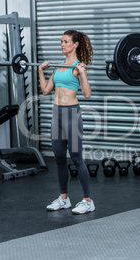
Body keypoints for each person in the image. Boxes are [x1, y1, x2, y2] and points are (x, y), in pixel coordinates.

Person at [38, 29, 95, 215]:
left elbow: (87, 94)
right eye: (61, 41)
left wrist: (83, 74)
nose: (62, 44)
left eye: (65, 41)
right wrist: (40, 71)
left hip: (72, 115)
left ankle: (87, 201)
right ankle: (64, 198)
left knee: (77, 159)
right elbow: (46, 90)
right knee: (59, 159)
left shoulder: (80, 67)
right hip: (56, 115)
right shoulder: (58, 66)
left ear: (75, 44)